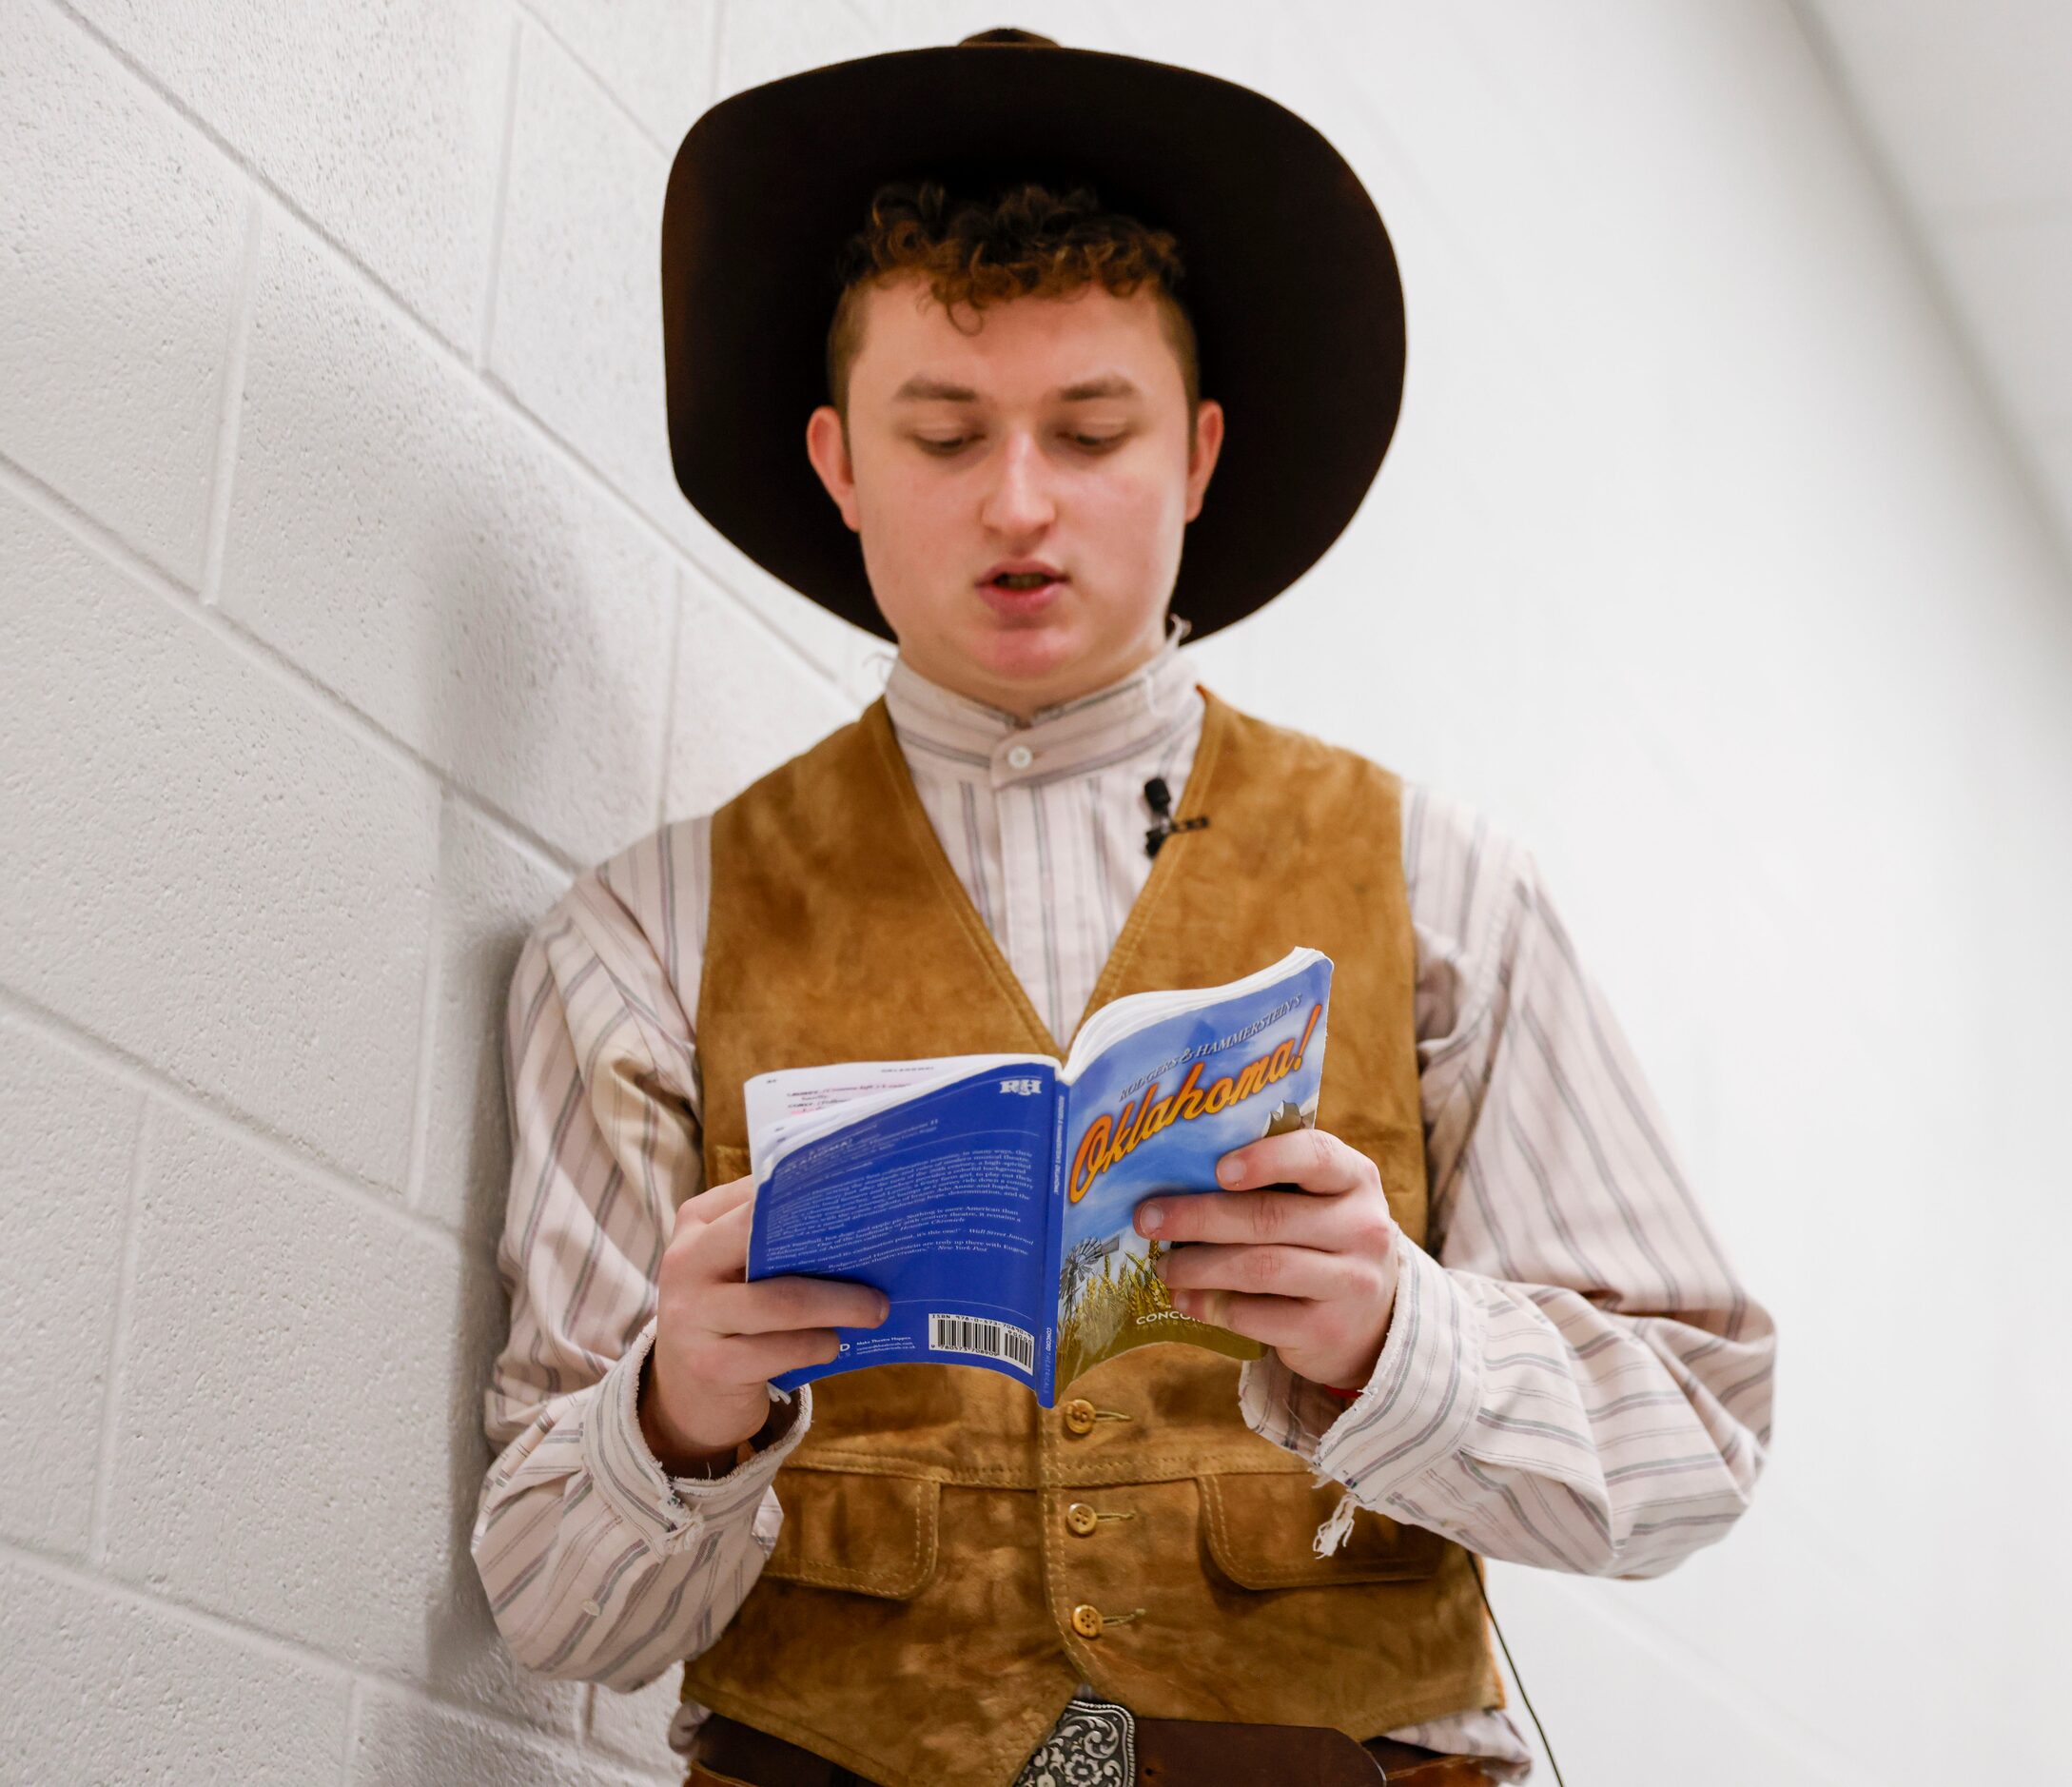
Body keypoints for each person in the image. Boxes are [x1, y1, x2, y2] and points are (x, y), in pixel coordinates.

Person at [471, 29, 1774, 1787]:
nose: (1019, 504)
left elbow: (1697, 1431)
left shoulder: (1442, 889)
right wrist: (674, 1408)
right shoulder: (642, 934)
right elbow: (550, 1606)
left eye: (1089, 432)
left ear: (1199, 455)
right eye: (942, 434)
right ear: (838, 464)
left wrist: (1401, 1336)